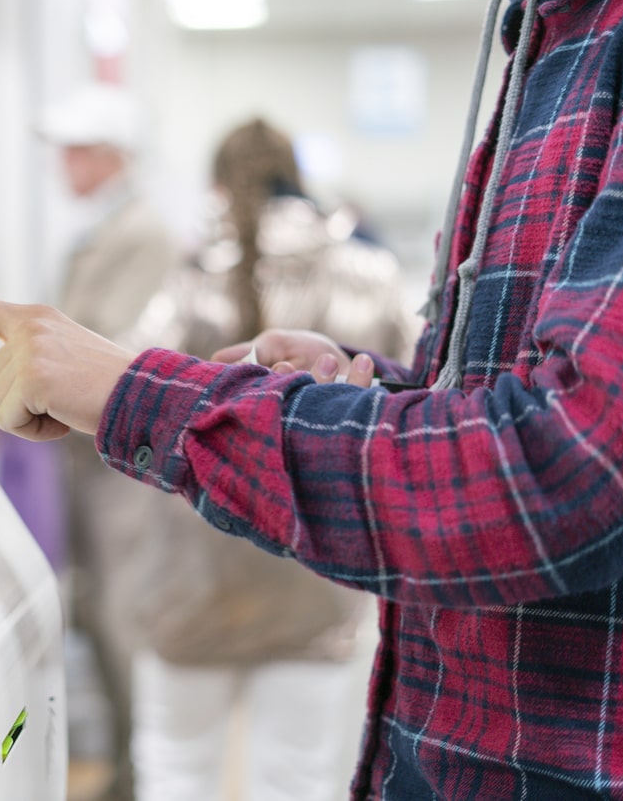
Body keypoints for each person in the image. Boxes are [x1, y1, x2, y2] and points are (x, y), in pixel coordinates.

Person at [0, 0, 623, 796]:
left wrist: (137, 389)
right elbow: (490, 405)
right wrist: (367, 395)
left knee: (180, 768)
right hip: (385, 658)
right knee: (289, 776)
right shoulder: (554, 31)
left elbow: (565, 468)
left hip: (536, 743)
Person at [122, 116, 414, 800]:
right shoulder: (367, 273)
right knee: (299, 781)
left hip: (188, 578)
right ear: (297, 179)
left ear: (218, 185)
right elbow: (424, 388)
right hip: (318, 563)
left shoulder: (187, 278)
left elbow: (124, 383)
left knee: (174, 771)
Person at [37, 82, 182, 801]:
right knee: (95, 607)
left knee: (122, 612)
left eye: (72, 152)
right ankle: (126, 772)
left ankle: (139, 777)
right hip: (86, 456)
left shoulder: (143, 235)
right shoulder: (103, 230)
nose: (63, 166)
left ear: (107, 155)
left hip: (118, 458)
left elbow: (113, 346)